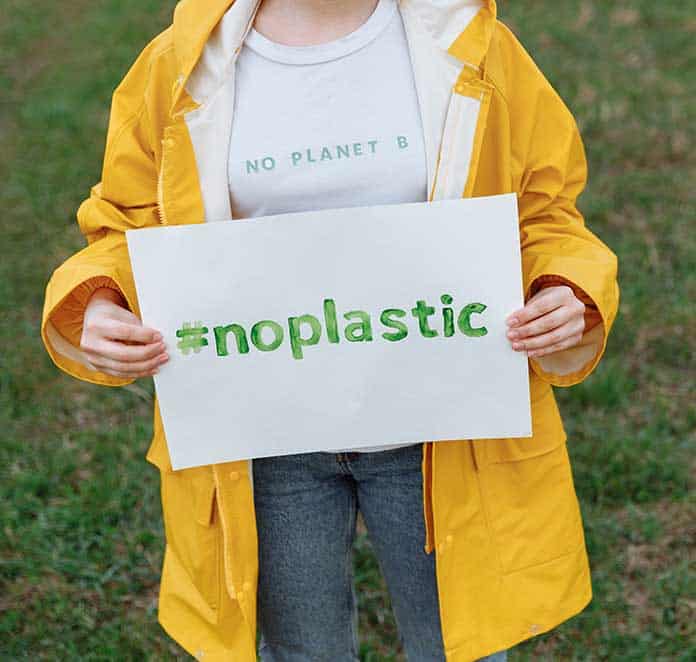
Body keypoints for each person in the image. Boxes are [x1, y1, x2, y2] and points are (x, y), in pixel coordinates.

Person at [40, 0, 619, 660]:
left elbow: (545, 210)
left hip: (442, 430)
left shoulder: (470, 44)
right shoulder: (181, 64)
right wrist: (102, 299)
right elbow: (126, 222)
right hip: (266, 439)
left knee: (459, 647)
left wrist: (563, 285)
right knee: (301, 651)